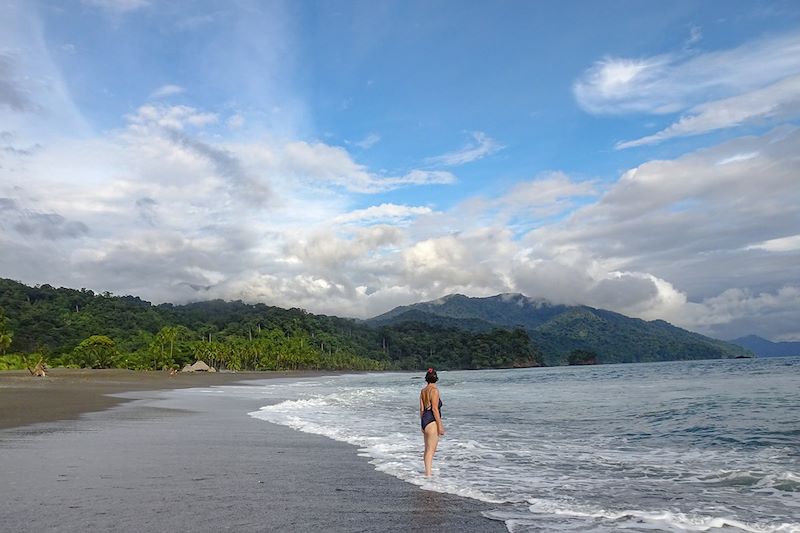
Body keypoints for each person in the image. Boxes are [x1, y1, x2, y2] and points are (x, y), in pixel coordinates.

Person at [419, 367, 444, 476]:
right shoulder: (434, 390)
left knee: (427, 449)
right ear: (436, 378)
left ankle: (427, 472)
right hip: (432, 420)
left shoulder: (423, 391)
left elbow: (421, 409)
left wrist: (422, 424)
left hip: (425, 419)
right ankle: (428, 474)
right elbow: (434, 408)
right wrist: (440, 425)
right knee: (431, 449)